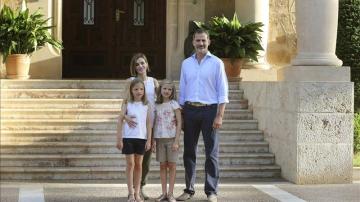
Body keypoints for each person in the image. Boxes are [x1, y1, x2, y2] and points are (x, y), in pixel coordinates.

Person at [176, 29, 229, 202]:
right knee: (189, 152)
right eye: (198, 41)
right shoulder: (186, 64)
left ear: (209, 42)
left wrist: (219, 115)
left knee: (211, 152)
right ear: (193, 42)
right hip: (190, 110)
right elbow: (182, 91)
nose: (200, 44)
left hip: (210, 111)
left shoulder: (217, 63)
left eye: (203, 41)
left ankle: (211, 191)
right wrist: (181, 115)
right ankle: (188, 190)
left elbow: (223, 92)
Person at [125, 53, 159, 200]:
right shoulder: (130, 81)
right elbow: (124, 102)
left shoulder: (154, 82)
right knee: (132, 162)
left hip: (150, 125)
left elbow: (160, 102)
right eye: (137, 64)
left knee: (146, 161)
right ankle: (132, 191)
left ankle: (140, 187)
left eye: (142, 63)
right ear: (134, 67)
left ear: (147, 64)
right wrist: (125, 117)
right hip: (134, 128)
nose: (140, 66)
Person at [116, 78, 152, 202]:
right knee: (130, 164)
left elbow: (148, 123)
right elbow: (120, 119)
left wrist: (149, 140)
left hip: (141, 138)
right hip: (128, 138)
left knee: (139, 165)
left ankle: (137, 193)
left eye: (141, 89)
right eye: (136, 89)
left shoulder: (146, 104)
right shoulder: (127, 102)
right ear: (131, 90)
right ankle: (130, 193)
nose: (139, 91)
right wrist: (119, 139)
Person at [152, 80, 182, 202]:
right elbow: (153, 123)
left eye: (169, 89)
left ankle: (170, 194)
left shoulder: (174, 104)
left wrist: (176, 140)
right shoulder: (156, 105)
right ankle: (163, 193)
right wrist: (153, 140)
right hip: (160, 140)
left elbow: (179, 122)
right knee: (162, 166)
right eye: (165, 88)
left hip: (171, 139)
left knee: (172, 166)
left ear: (172, 92)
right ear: (160, 90)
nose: (167, 91)